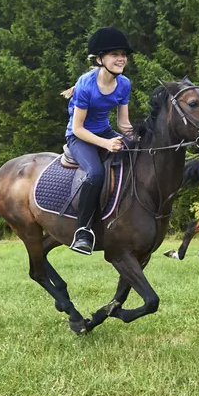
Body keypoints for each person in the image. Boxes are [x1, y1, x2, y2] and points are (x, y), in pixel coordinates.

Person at [63, 27, 135, 255]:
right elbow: (78, 128)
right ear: (100, 58)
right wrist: (106, 144)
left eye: (123, 54)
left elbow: (124, 124)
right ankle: (83, 231)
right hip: (79, 137)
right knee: (95, 173)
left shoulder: (124, 84)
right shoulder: (86, 85)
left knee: (135, 154)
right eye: (114, 54)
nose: (121, 58)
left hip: (103, 130)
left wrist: (137, 139)